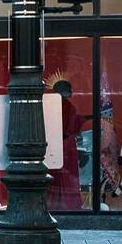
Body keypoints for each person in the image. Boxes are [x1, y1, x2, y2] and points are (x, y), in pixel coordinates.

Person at [48, 80, 87, 211]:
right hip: (65, 145)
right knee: (66, 177)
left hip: (51, 145)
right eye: (70, 89)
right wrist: (81, 120)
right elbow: (70, 127)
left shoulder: (49, 104)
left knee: (54, 176)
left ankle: (52, 204)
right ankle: (68, 206)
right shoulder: (68, 106)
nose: (72, 92)